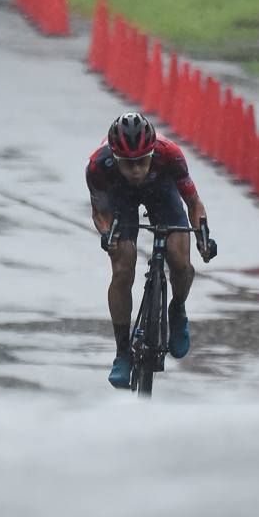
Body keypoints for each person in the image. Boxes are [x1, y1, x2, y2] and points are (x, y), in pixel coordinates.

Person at [87, 112, 215, 388]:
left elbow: (193, 203)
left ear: (152, 152)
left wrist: (203, 237)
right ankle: (122, 353)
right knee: (123, 267)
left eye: (142, 162)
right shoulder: (98, 165)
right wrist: (107, 234)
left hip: (162, 191)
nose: (135, 171)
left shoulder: (170, 154)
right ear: (115, 158)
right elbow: (100, 212)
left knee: (181, 264)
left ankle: (177, 309)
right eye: (128, 164)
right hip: (121, 198)